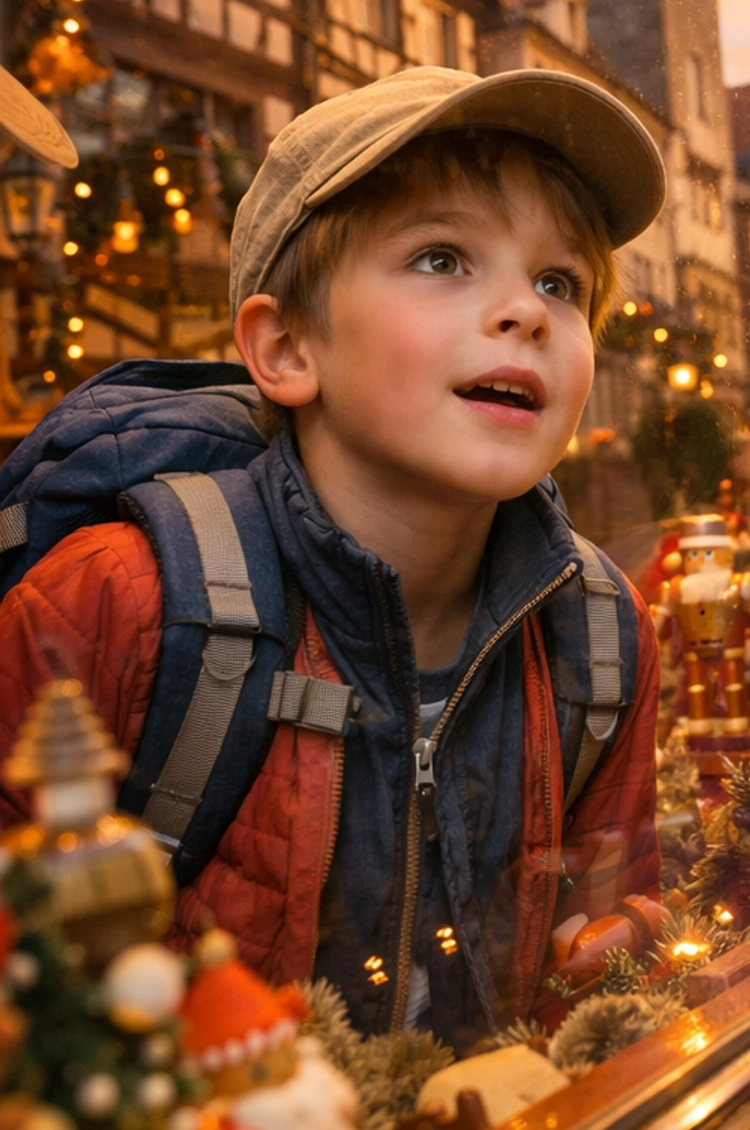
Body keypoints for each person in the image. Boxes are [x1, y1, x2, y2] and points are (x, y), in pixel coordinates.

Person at [0, 66, 667, 1054]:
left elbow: (627, 898)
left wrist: (622, 940)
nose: (525, 310)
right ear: (286, 348)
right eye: (443, 258)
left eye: (559, 282)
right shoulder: (119, 600)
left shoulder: (602, 631)